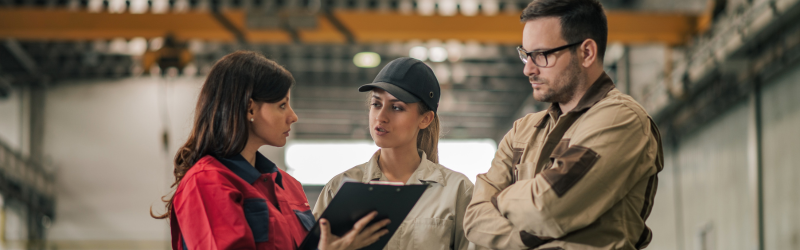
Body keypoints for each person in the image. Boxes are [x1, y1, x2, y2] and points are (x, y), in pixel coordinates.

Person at [463, 0, 664, 249]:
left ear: (587, 53)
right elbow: (473, 219)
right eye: (525, 55)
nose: (528, 69)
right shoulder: (522, 131)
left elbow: (547, 207)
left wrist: (498, 200)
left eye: (542, 55)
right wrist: (529, 237)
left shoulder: (621, 120)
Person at [151, 51, 390, 250]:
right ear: (250, 109)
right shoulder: (207, 183)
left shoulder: (288, 185)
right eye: (282, 105)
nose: (293, 116)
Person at [313, 57, 474, 250]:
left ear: (425, 119)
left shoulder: (457, 191)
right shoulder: (339, 188)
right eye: (376, 104)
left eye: (396, 107)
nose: (381, 117)